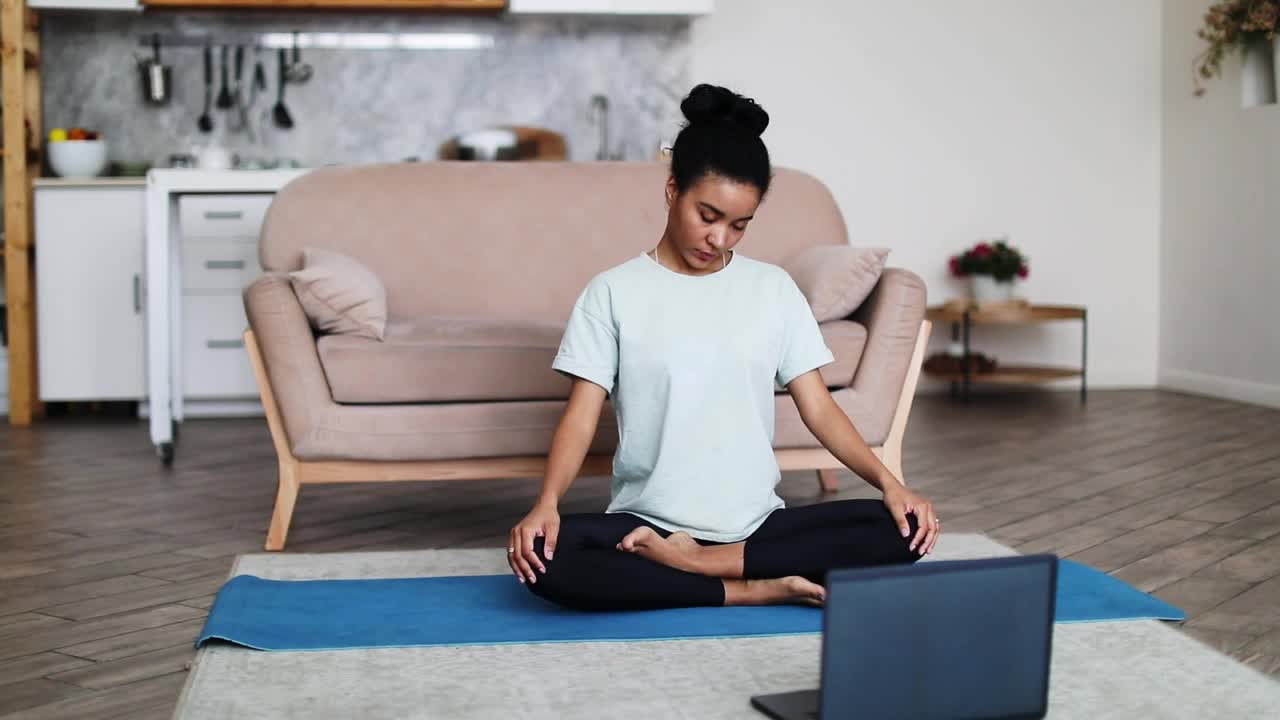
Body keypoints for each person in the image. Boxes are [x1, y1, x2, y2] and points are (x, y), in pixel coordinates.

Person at [506, 84, 940, 612]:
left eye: (739, 225)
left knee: (901, 526)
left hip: (755, 527)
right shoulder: (612, 292)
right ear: (672, 191)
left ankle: (705, 566)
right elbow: (579, 417)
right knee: (545, 558)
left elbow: (820, 407)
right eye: (707, 215)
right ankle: (750, 588)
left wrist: (892, 485)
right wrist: (546, 505)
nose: (720, 239)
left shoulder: (773, 289)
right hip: (648, 526)